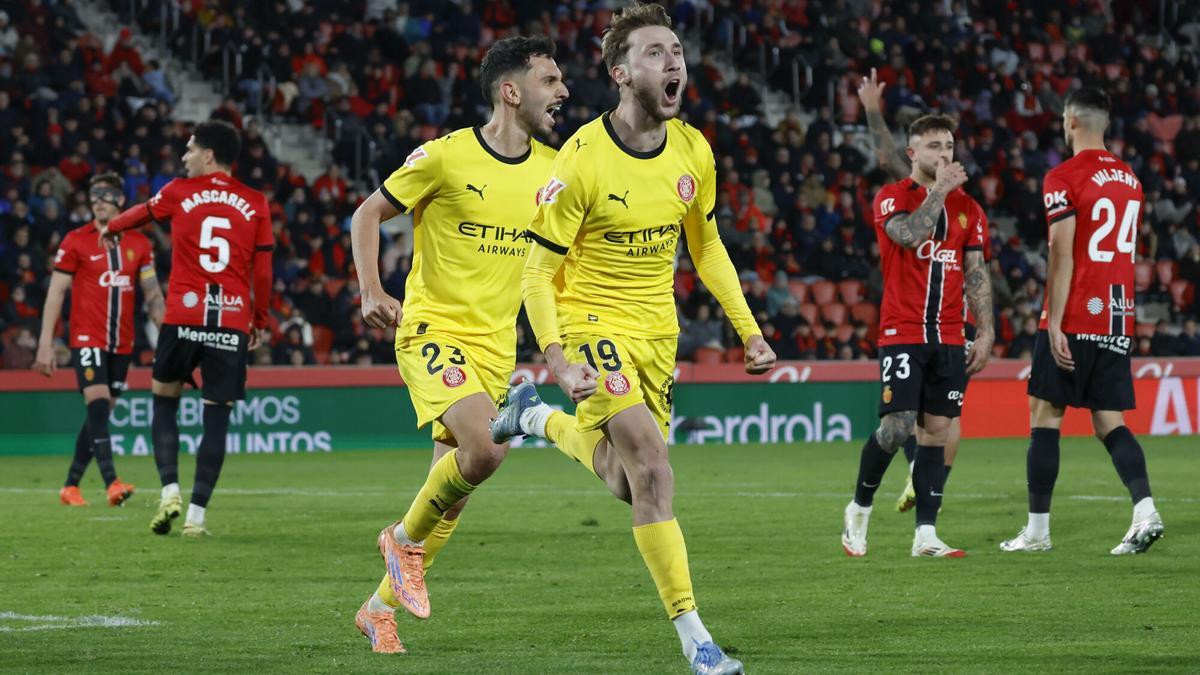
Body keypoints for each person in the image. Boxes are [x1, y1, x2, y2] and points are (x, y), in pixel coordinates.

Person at [498, 5, 774, 673]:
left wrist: (750, 331)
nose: (673, 61)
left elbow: (707, 251)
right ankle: (695, 636)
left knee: (628, 482)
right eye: (655, 53)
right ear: (621, 73)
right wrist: (558, 355)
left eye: (676, 50)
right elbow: (537, 269)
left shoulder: (693, 151)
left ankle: (532, 416)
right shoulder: (582, 160)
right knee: (653, 467)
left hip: (657, 336)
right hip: (592, 325)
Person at [347, 36, 569, 654]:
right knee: (487, 451)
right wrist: (371, 288)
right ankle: (399, 541)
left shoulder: (554, 173)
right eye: (550, 80)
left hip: (497, 349)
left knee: (450, 498)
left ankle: (376, 609)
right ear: (511, 90)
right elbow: (366, 215)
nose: (562, 92)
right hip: (432, 331)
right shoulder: (444, 158)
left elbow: (557, 266)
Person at [1001, 87, 1164, 555]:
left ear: (1070, 121)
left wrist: (1054, 320)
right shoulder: (1130, 179)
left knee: (1045, 413)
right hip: (1117, 314)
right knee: (1109, 419)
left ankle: (1037, 532)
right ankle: (1145, 508)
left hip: (1078, 310)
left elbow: (1061, 250)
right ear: (1105, 123)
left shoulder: (1063, 176)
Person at [101, 120, 273, 538]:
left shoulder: (180, 191)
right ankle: (196, 517)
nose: (184, 157)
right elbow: (263, 271)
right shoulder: (256, 202)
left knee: (163, 402)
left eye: (190, 149)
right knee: (217, 419)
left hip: (182, 317)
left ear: (208, 155)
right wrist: (260, 319)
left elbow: (140, 214)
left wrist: (112, 227)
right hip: (231, 320)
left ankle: (170, 490)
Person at [841, 112, 994, 558]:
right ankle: (859, 508)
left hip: (949, 334)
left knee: (938, 432)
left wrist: (984, 333)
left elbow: (976, 273)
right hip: (902, 330)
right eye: (933, 147)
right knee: (896, 427)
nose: (944, 154)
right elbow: (909, 236)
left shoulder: (970, 209)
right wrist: (941, 190)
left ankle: (926, 534)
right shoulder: (892, 197)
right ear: (912, 153)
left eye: (948, 146)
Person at [34, 172, 163, 507]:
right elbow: (55, 293)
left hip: (121, 343)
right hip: (86, 337)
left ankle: (70, 486)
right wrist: (45, 344)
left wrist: (168, 335)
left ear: (120, 200)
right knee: (98, 404)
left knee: (100, 415)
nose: (98, 202)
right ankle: (112, 483)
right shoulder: (75, 240)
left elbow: (152, 296)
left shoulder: (139, 244)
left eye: (105, 196)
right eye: (93, 197)